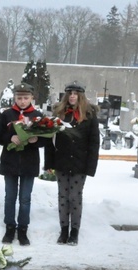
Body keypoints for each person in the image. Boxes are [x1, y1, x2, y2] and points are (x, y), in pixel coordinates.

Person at [44, 81, 100, 245]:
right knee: (63, 197)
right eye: (70, 93)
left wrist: (90, 167)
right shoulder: (59, 113)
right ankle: (63, 231)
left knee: (74, 197)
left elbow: (94, 142)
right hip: (61, 161)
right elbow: (49, 139)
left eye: (75, 93)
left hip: (79, 163)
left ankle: (74, 231)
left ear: (80, 96)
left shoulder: (89, 115)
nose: (72, 96)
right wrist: (49, 163)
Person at [0, 82, 46, 245]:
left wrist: (36, 139)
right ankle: (9, 227)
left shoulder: (38, 116)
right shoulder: (6, 115)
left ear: (32, 98)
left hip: (29, 163)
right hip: (10, 162)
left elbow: (45, 140)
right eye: (19, 97)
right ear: (14, 98)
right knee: (10, 197)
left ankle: (23, 229)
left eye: (26, 98)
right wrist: (9, 138)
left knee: (25, 198)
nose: (22, 101)